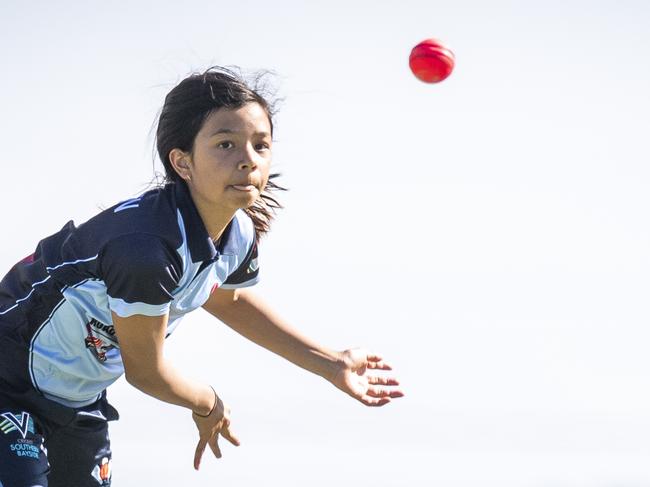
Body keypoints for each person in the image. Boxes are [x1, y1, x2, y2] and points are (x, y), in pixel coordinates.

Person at [0, 67, 404, 486]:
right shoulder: (146, 251)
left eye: (260, 145)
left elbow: (227, 299)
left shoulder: (238, 231)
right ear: (182, 162)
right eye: (225, 144)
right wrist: (208, 403)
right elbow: (147, 372)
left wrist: (331, 363)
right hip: (7, 382)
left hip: (77, 402)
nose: (248, 158)